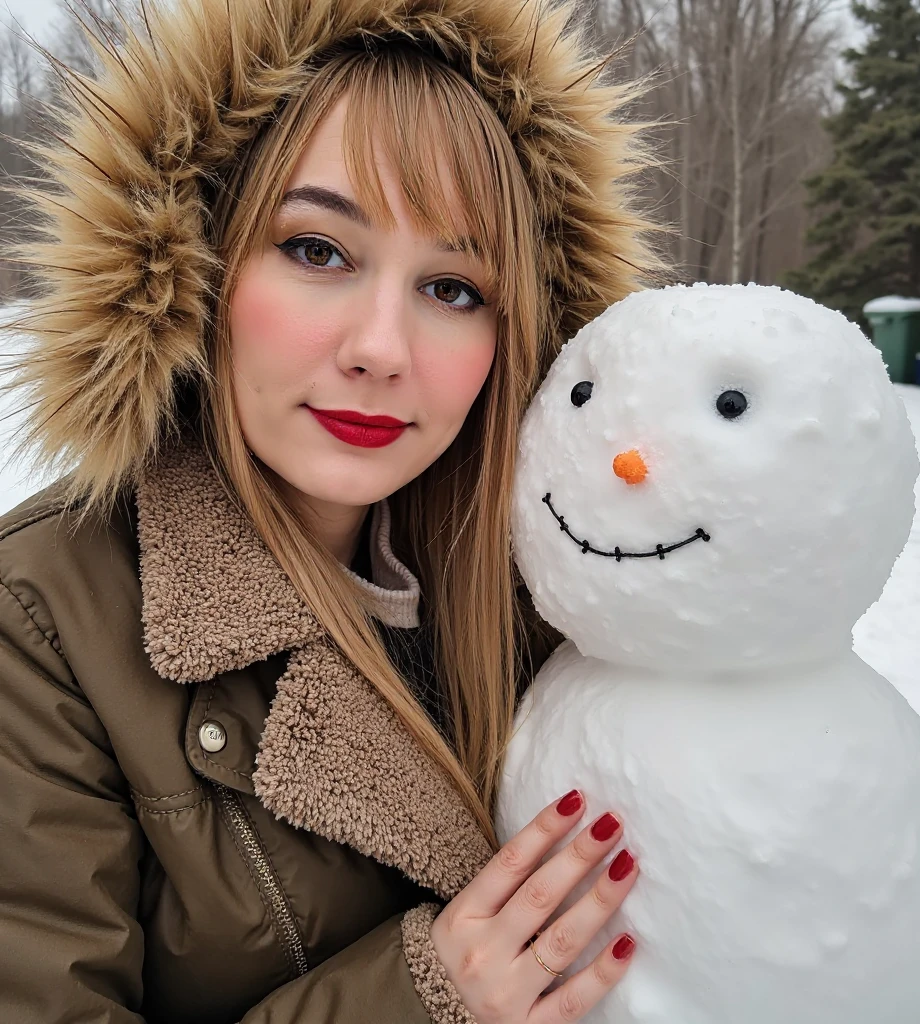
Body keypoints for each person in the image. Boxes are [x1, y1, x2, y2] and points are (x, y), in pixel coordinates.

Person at [0, 0, 664, 1020]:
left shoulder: (559, 597)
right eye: (318, 250)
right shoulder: (42, 618)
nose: (382, 348)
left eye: (452, 286)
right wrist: (426, 997)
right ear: (194, 261)